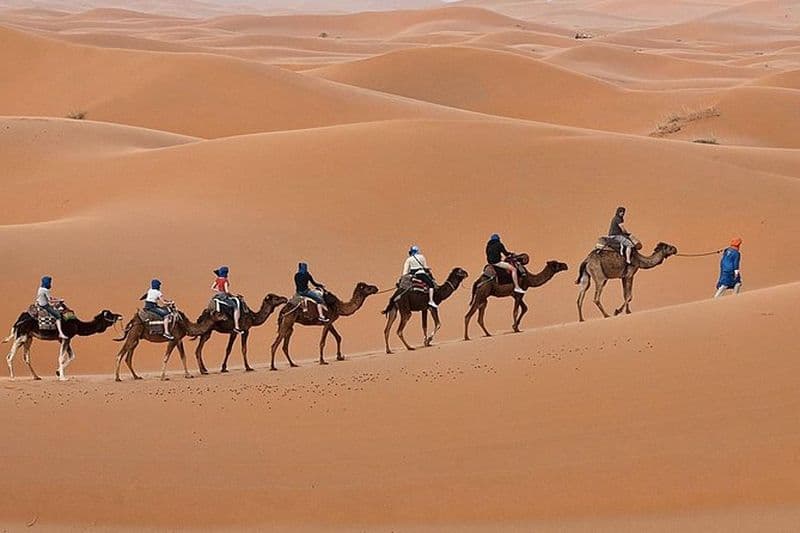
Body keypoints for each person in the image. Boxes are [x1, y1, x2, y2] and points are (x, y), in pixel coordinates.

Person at [211, 266, 242, 333]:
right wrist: (231, 295)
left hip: (218, 296)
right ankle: (236, 326)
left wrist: (218, 290)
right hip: (224, 297)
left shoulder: (217, 280)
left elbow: (212, 288)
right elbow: (226, 291)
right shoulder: (225, 281)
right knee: (236, 307)